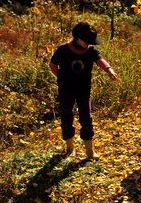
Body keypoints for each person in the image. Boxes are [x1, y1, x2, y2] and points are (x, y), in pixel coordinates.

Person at [49, 22, 118, 159]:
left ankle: (90, 151)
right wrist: (61, 78)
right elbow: (52, 64)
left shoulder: (90, 51)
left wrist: (109, 70)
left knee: (86, 118)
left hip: (84, 89)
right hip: (66, 89)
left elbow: (100, 60)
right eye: (88, 41)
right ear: (78, 38)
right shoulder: (63, 49)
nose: (89, 44)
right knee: (67, 116)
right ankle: (70, 148)